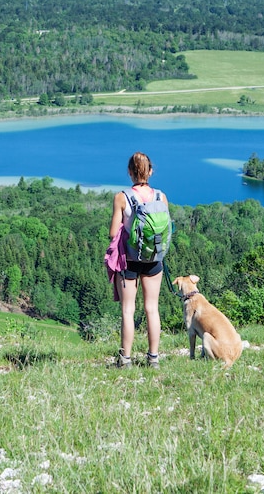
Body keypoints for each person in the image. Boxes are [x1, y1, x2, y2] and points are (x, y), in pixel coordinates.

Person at [109, 152, 168, 368]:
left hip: (129, 261)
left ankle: (125, 359)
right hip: (154, 260)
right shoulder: (161, 197)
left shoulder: (121, 197)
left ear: (129, 172)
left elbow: (113, 231)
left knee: (128, 310)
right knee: (152, 308)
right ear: (150, 171)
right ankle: (153, 358)